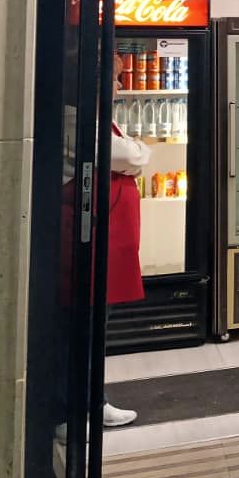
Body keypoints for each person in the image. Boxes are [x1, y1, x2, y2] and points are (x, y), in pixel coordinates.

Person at [104, 69, 151, 428]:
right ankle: (81, 408)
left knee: (94, 327)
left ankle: (90, 402)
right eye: (116, 78)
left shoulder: (101, 119)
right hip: (95, 243)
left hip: (108, 243)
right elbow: (133, 156)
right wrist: (137, 152)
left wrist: (136, 152)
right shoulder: (79, 121)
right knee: (87, 330)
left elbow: (134, 154)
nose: (121, 85)